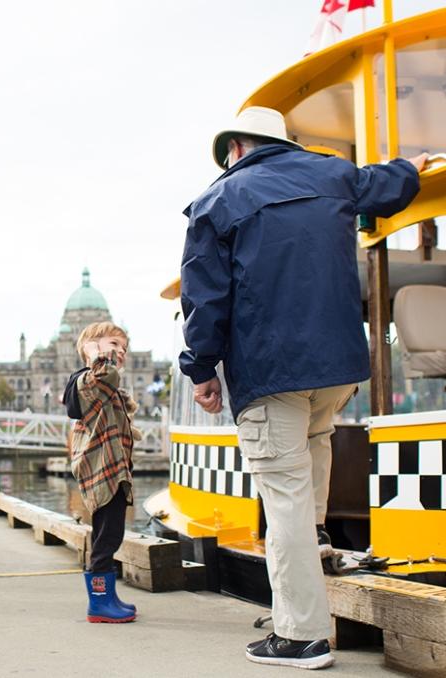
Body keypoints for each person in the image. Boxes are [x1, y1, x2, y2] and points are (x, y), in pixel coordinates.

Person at [179, 106, 427, 670]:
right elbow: (388, 186)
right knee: (314, 450)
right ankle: (318, 543)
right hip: (339, 366)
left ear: (235, 149)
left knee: (282, 496)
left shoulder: (215, 203)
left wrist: (200, 371)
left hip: (271, 371)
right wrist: (411, 166)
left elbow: (205, 301)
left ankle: (300, 636)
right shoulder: (332, 173)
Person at [63, 321, 142, 623]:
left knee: (109, 533)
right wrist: (96, 353)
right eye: (114, 345)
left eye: (123, 349)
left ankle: (107, 597)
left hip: (112, 470)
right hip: (103, 471)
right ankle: (99, 603)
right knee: (107, 537)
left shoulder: (98, 382)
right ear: (92, 346)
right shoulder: (92, 378)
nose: (120, 353)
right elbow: (105, 375)